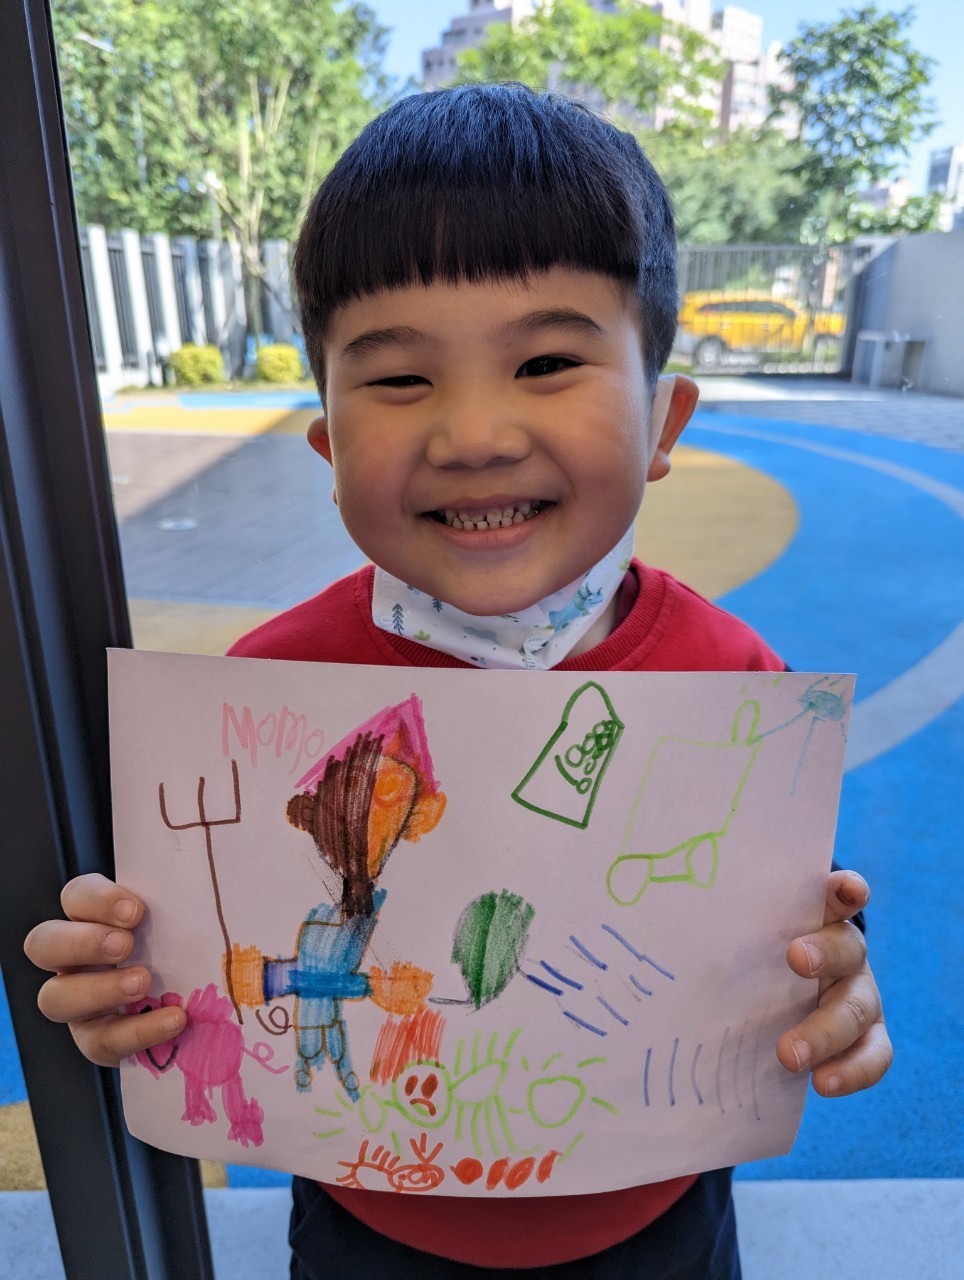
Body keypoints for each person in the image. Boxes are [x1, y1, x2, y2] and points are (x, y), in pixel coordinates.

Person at [24, 84, 892, 1279]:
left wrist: (837, 977)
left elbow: (794, 921)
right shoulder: (254, 697)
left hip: (661, 1228)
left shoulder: (739, 686)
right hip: (366, 1232)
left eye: (546, 360)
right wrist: (124, 975)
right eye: (398, 378)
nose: (474, 432)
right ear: (328, 448)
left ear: (662, 419)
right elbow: (200, 960)